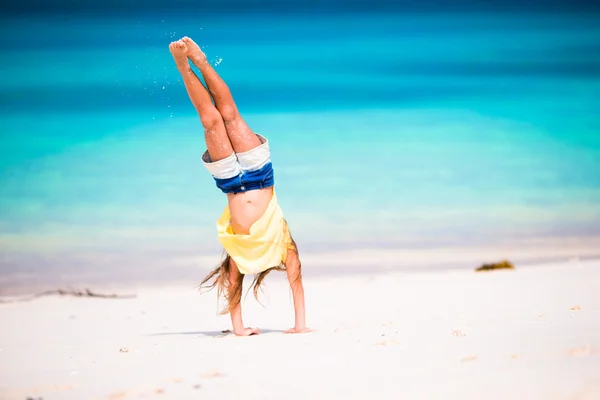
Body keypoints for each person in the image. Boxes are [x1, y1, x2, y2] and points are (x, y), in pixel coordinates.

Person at [169, 37, 310, 336]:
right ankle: (201, 61)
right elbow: (297, 282)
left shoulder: (240, 256)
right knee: (230, 113)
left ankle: (183, 66)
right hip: (259, 174)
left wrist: (239, 329)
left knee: (211, 122)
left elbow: (233, 287)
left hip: (231, 182)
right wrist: (300, 326)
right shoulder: (284, 246)